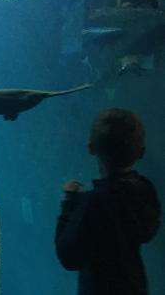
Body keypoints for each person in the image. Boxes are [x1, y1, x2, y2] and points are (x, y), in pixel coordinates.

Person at [55, 108, 161, 295]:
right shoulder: (145, 188)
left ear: (91, 148)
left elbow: (68, 256)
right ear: (141, 152)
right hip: (135, 287)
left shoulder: (92, 201)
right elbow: (148, 233)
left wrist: (69, 203)